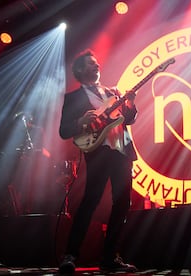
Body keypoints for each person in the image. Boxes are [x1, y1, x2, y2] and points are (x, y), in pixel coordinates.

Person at [58, 49, 138, 273]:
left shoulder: (113, 92)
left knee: (122, 204)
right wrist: (81, 121)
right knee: (90, 202)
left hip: (122, 150)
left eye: (96, 63)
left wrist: (130, 103)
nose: (97, 66)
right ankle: (70, 255)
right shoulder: (73, 98)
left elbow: (128, 119)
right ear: (80, 70)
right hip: (98, 151)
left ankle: (110, 257)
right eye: (91, 64)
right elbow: (64, 131)